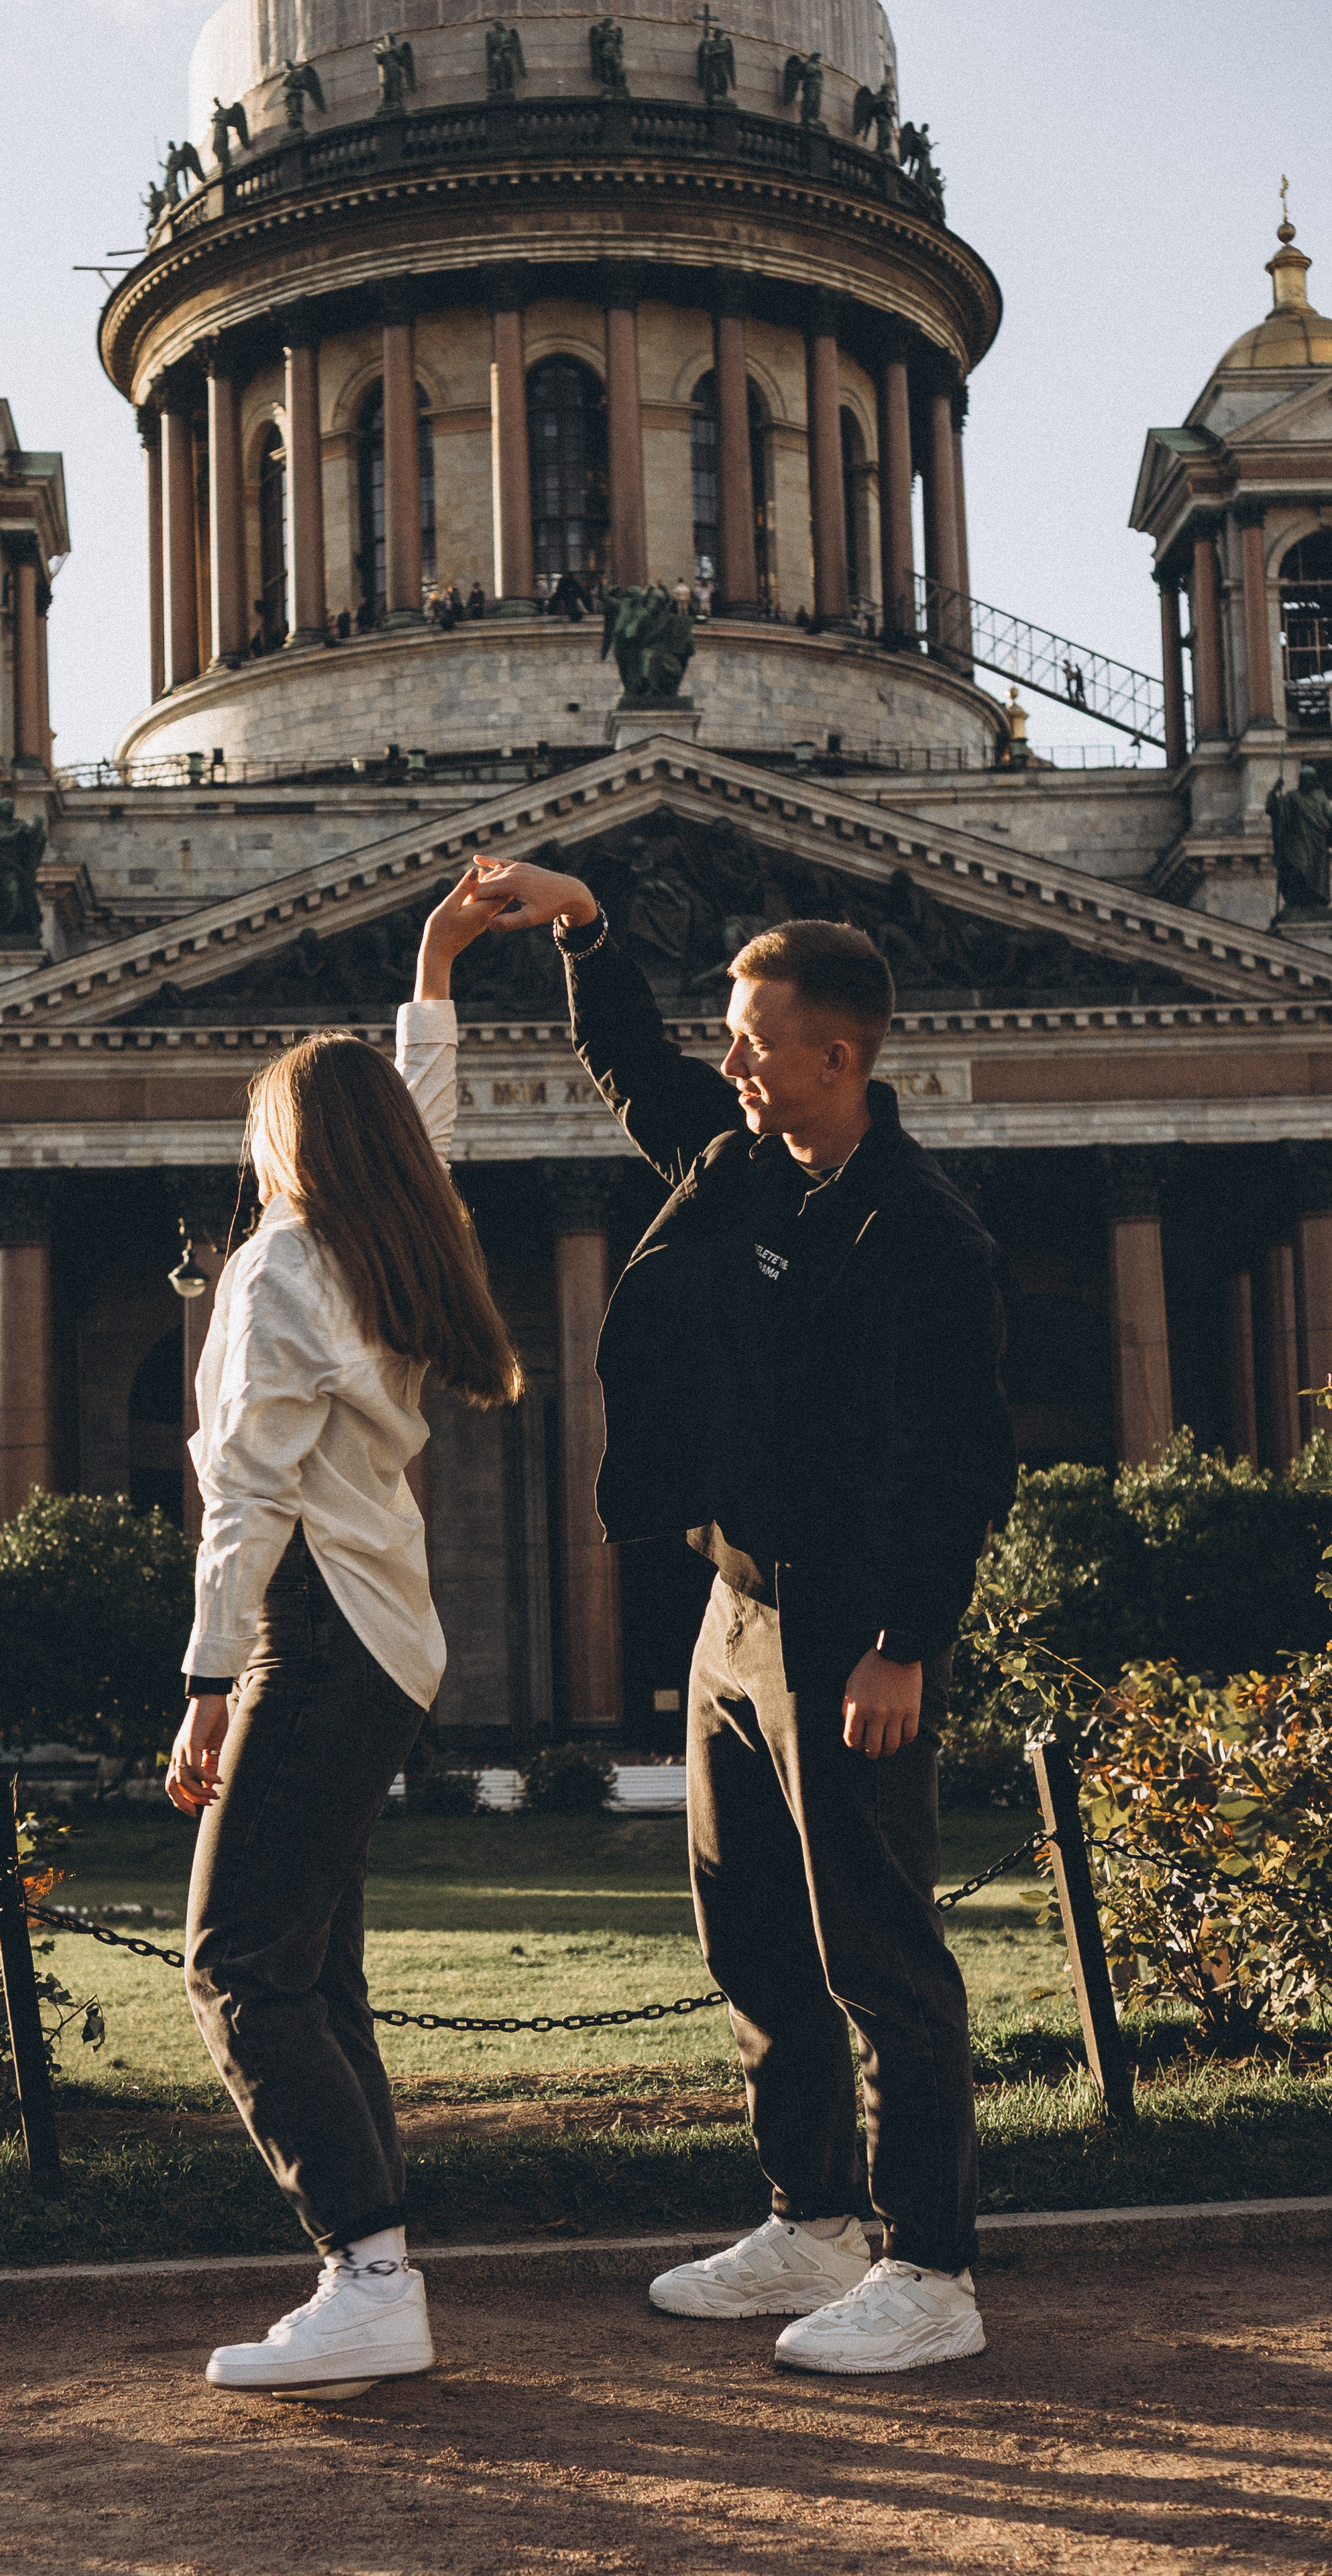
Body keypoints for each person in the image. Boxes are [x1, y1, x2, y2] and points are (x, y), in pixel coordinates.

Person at [472, 861, 1015, 2375]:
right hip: (737, 1607)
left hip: (849, 1635)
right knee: (755, 1940)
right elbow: (633, 1068)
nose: (729, 1062)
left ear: (836, 1056)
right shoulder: (742, 1160)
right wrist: (585, 929)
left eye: (755, 1040)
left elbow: (964, 1461)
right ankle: (812, 2222)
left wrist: (906, 1643)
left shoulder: (923, 1233)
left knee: (880, 1959)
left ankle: (931, 2269)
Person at [166, 869, 522, 2398]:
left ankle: (367, 2276)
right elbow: (419, 1126)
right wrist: (431, 974)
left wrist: (205, 1681)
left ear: (289, 1143)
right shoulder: (388, 1243)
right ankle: (375, 2275)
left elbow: (244, 1494)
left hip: (308, 1636)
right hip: (387, 1640)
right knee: (314, 1969)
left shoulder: (279, 1268)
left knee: (236, 1964)